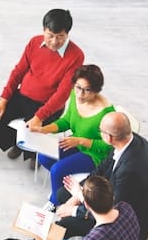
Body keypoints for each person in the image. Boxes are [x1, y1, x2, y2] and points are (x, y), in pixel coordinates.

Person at [0, 9, 84, 162]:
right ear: (44, 30)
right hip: (22, 96)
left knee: (31, 130)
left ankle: (30, 150)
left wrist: (39, 116)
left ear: (67, 34)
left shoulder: (76, 55)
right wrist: (3, 99)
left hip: (48, 105)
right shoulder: (34, 42)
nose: (54, 42)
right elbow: (18, 72)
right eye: (50, 36)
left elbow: (62, 94)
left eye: (60, 37)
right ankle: (21, 144)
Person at [55, 111, 148, 240]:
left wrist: (75, 209)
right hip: (114, 198)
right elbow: (101, 169)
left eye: (100, 130)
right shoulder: (125, 141)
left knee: (65, 225)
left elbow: (111, 212)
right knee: (63, 194)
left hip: (123, 225)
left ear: (109, 138)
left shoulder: (129, 171)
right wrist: (79, 195)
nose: (99, 133)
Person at [29, 64, 113, 209]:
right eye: (78, 87)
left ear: (96, 91)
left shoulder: (106, 112)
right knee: (43, 157)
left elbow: (108, 146)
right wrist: (44, 129)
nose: (80, 94)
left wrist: (81, 140)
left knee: (57, 170)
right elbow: (67, 120)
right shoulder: (75, 96)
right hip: (75, 143)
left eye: (87, 90)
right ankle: (63, 191)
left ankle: (56, 203)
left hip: (94, 154)